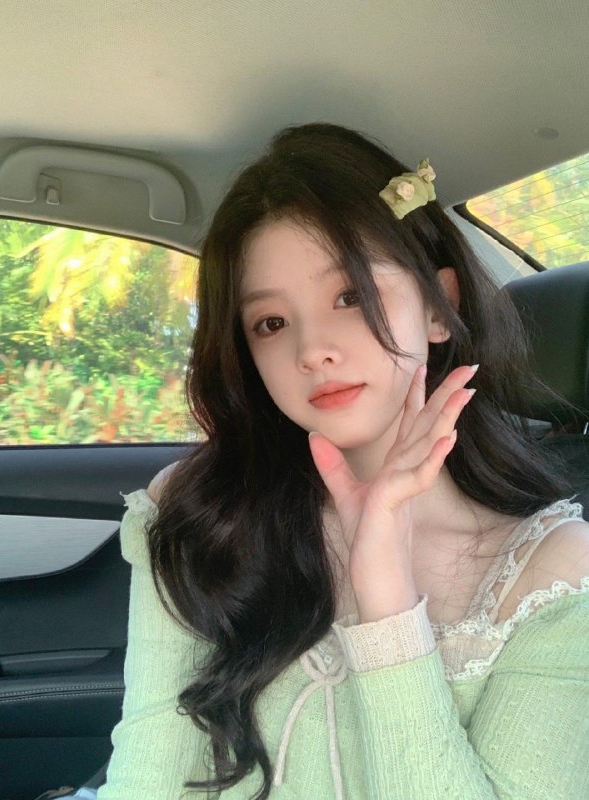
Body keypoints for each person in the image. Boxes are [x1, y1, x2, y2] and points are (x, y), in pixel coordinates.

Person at [96, 123, 589, 800]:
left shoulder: (555, 576)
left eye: (351, 296)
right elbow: (149, 774)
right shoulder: (201, 511)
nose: (312, 350)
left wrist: (385, 597)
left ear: (438, 306)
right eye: (271, 323)